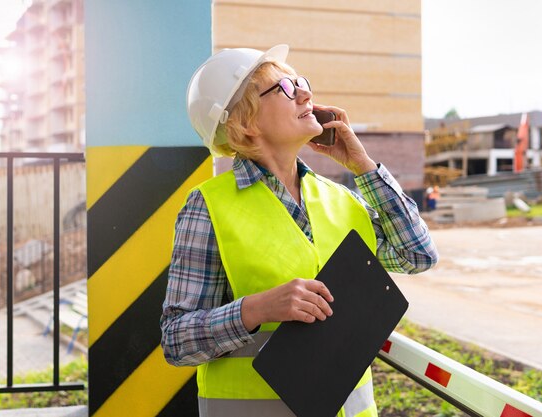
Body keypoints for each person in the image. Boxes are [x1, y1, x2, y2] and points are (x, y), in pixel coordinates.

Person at [160, 44, 439, 417]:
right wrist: (257, 308)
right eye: (286, 88)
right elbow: (176, 340)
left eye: (301, 83)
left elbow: (417, 255)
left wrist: (363, 166)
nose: (306, 93)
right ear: (245, 122)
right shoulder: (208, 207)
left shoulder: (341, 199)